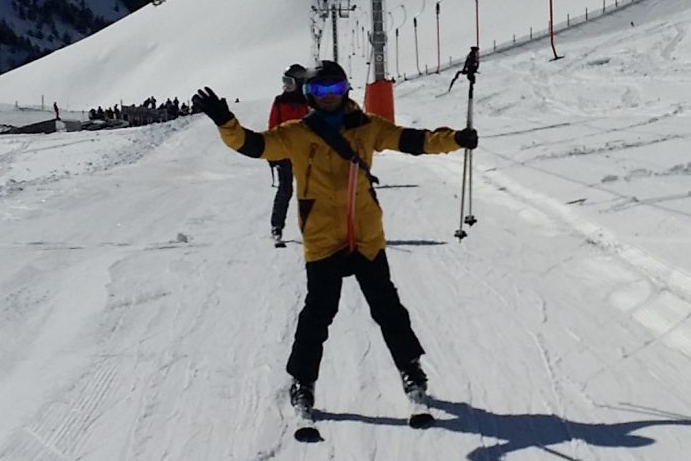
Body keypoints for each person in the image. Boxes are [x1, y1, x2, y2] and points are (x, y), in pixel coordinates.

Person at [192, 60, 477, 421]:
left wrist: (455, 139)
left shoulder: (367, 127)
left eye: (335, 90)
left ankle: (410, 368)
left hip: (365, 236)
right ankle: (302, 381)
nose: (329, 98)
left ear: (346, 91)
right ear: (308, 96)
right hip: (323, 238)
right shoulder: (296, 133)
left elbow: (413, 140)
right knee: (318, 313)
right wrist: (225, 123)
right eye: (320, 91)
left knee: (387, 307)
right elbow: (255, 145)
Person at [265, 62, 309, 246]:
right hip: (284, 153)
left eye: (289, 81)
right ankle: (277, 226)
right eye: (284, 81)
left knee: (308, 190)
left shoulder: (308, 102)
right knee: (285, 189)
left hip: (305, 154)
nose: (286, 85)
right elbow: (273, 125)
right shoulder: (280, 101)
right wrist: (271, 151)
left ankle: (312, 226)